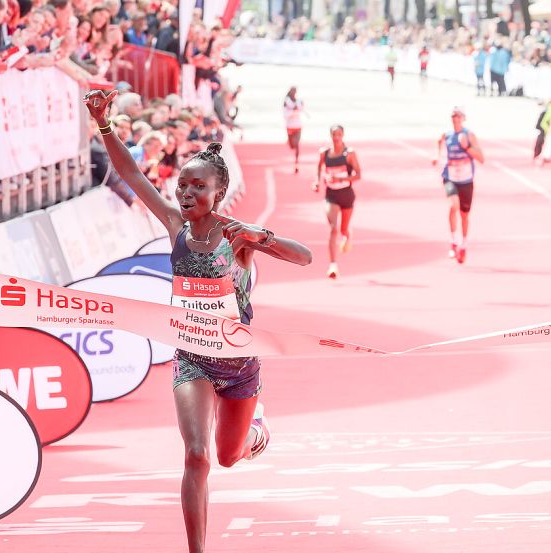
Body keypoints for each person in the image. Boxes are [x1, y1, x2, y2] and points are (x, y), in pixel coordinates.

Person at [84, 88, 312, 553]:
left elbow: (304, 257)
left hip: (238, 363)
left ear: (219, 193)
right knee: (196, 455)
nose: (185, 193)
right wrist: (103, 123)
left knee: (228, 457)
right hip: (192, 357)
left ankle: (254, 433)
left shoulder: (237, 236)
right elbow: (130, 172)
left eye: (197, 187)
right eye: (183, 185)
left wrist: (261, 236)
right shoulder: (174, 224)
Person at [433, 107, 484, 264]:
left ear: (463, 118)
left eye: (458, 116)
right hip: (450, 178)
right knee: (453, 206)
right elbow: (440, 155)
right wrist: (437, 161)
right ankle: (453, 241)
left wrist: (466, 147)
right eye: (453, 116)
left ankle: (463, 244)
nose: (455, 118)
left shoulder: (469, 136)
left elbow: (481, 158)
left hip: (466, 180)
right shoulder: (445, 136)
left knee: (464, 214)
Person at [312, 125, 361, 279]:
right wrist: (317, 182)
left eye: (339, 134)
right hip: (331, 195)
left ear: (343, 135)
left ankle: (347, 235)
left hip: (346, 195)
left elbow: (358, 175)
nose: (336, 137)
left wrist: (341, 178)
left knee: (343, 230)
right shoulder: (324, 153)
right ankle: (333, 265)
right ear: (330, 135)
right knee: (334, 228)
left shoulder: (349, 154)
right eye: (334, 134)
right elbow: (319, 167)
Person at [283, 86, 304, 173]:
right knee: (292, 146)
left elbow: (301, 110)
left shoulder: (299, 101)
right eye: (292, 91)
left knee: (297, 145)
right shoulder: (286, 101)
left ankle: (296, 163)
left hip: (298, 126)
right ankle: (289, 141)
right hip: (290, 126)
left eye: (295, 91)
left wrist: (297, 109)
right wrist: (293, 111)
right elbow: (285, 115)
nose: (294, 92)